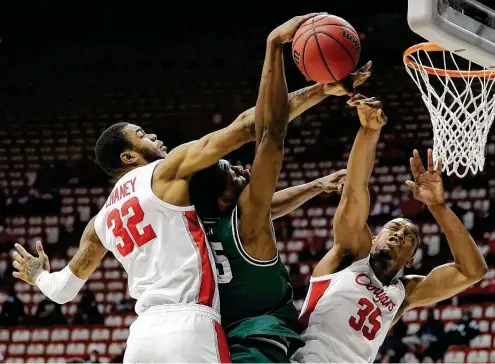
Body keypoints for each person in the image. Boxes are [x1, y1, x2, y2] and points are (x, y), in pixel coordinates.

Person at [9, 13, 338, 362]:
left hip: (141, 338)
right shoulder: (165, 174)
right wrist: (321, 89)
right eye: (142, 135)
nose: (153, 136)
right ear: (128, 155)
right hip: (189, 325)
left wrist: (39, 275)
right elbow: (251, 126)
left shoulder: (99, 222)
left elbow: (62, 291)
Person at [189, 17, 370, 363]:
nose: (241, 167)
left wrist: (316, 185)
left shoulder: (205, 225)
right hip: (259, 343)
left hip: (233, 340)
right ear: (225, 198)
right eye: (231, 172)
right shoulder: (246, 219)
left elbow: (268, 207)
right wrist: (274, 46)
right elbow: (270, 131)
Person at [291, 98, 488, 363]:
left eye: (410, 238)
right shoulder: (348, 258)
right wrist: (369, 132)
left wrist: (438, 206)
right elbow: (355, 189)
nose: (399, 234)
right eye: (392, 228)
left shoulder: (404, 294)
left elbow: (472, 271)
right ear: (373, 239)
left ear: (411, 259)